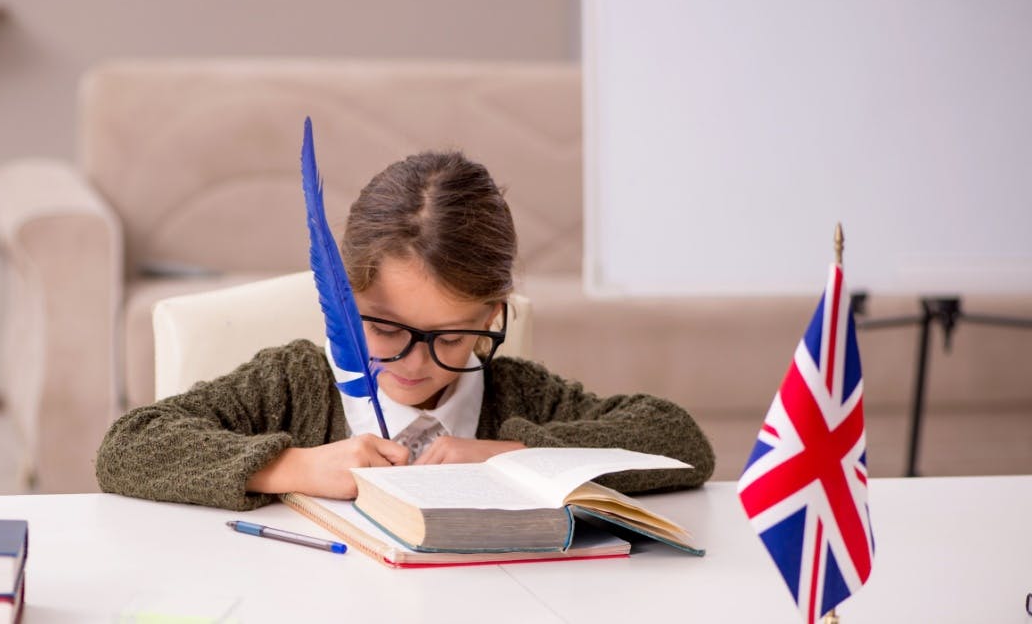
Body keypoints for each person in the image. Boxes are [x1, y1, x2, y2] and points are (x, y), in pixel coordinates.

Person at [95, 151, 715, 511]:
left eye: (448, 338)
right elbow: (128, 446)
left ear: (491, 317)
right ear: (345, 296)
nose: (414, 363)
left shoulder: (520, 397)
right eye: (386, 328)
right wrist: (295, 468)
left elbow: (679, 441)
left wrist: (520, 458)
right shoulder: (294, 383)